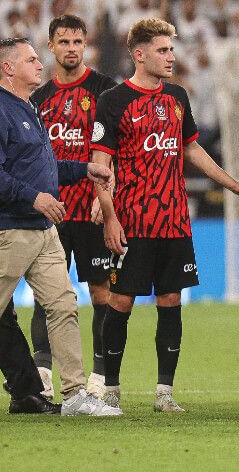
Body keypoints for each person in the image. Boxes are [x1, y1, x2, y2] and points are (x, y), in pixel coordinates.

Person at [91, 19, 239, 412]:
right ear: (139, 54)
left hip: (173, 220)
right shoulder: (114, 101)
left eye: (172, 50)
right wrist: (110, 217)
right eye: (162, 50)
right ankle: (110, 388)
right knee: (120, 302)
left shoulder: (177, 97)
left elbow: (192, 150)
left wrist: (235, 185)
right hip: (132, 220)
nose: (171, 57)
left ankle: (164, 392)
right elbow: (100, 167)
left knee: (171, 300)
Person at [0, 36, 120, 416]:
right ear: (8, 68)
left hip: (43, 229)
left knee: (64, 305)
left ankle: (73, 396)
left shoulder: (29, 107)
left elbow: (45, 168)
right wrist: (34, 197)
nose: (40, 65)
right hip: (12, 229)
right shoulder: (1, 110)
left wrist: (84, 169)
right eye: (32, 60)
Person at [27, 14, 117, 400]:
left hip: (93, 209)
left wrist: (106, 200)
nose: (71, 49)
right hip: (52, 212)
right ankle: (43, 372)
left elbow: (116, 147)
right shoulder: (38, 98)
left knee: (101, 293)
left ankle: (99, 376)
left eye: (77, 42)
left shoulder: (104, 91)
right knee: (48, 294)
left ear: (86, 45)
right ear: (51, 46)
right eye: (63, 42)